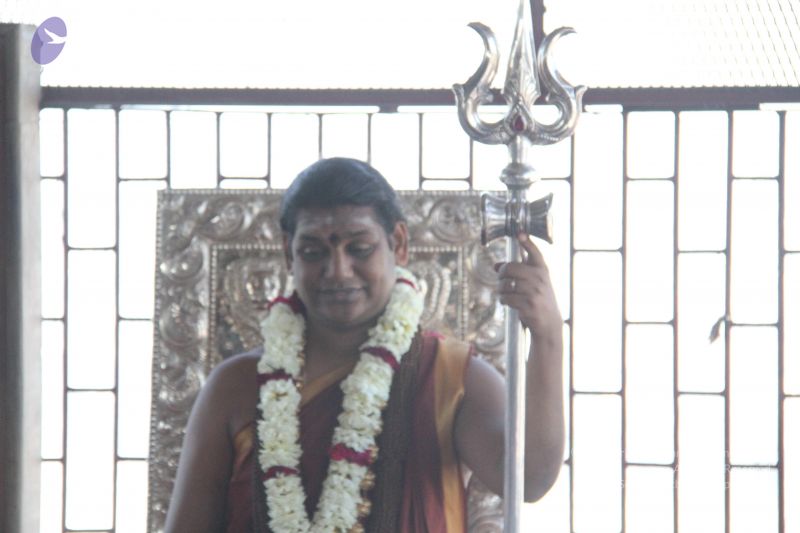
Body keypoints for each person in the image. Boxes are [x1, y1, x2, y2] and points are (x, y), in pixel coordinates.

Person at [164, 157, 565, 533]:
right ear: (289, 253)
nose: (338, 271)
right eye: (313, 252)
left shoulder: (450, 376)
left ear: (399, 243)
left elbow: (528, 479)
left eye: (359, 248)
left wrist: (547, 336)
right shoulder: (234, 387)